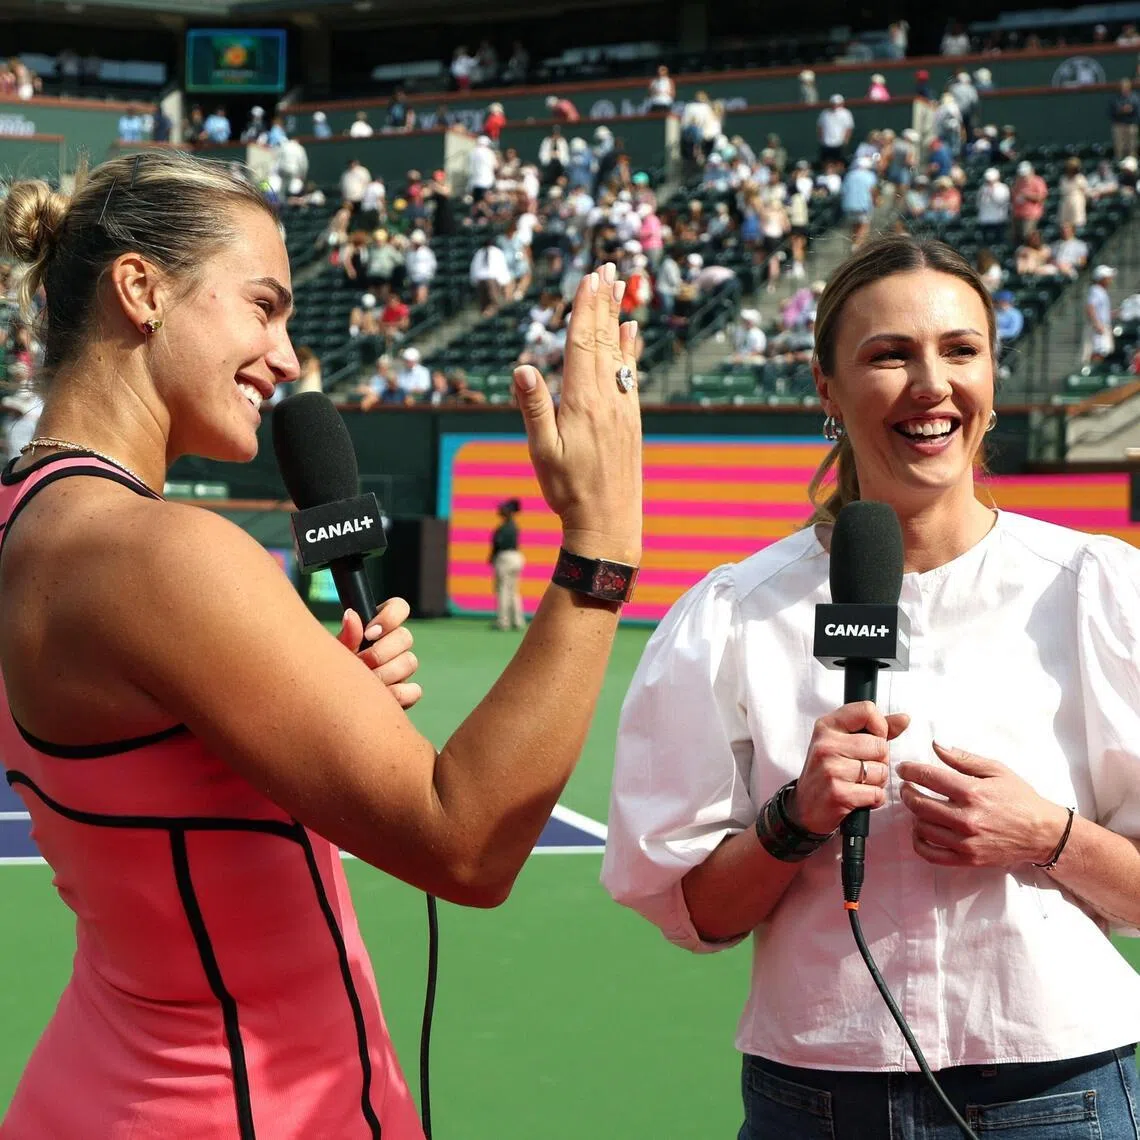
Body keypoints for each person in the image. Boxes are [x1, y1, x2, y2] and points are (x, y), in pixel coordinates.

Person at [0, 151, 642, 1137]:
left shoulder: (28, 521)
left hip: (99, 1090)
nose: (289, 356)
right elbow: (465, 845)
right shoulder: (161, 554)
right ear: (142, 290)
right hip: (244, 1105)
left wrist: (302, 695)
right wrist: (600, 550)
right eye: (263, 306)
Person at [602, 233, 1140, 1138]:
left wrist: (1045, 835)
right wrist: (794, 817)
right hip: (813, 1098)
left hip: (1058, 1095)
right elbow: (694, 911)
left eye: (961, 351)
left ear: (992, 379)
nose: (931, 384)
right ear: (827, 388)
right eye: (889, 355)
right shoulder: (736, 612)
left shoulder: (1095, 587)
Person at [489, 498, 525, 631]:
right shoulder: (514, 526)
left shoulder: (503, 528)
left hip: (505, 558)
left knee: (503, 590)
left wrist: (491, 558)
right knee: (513, 590)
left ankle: (503, 621)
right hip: (517, 557)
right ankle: (517, 621)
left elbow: (498, 545)